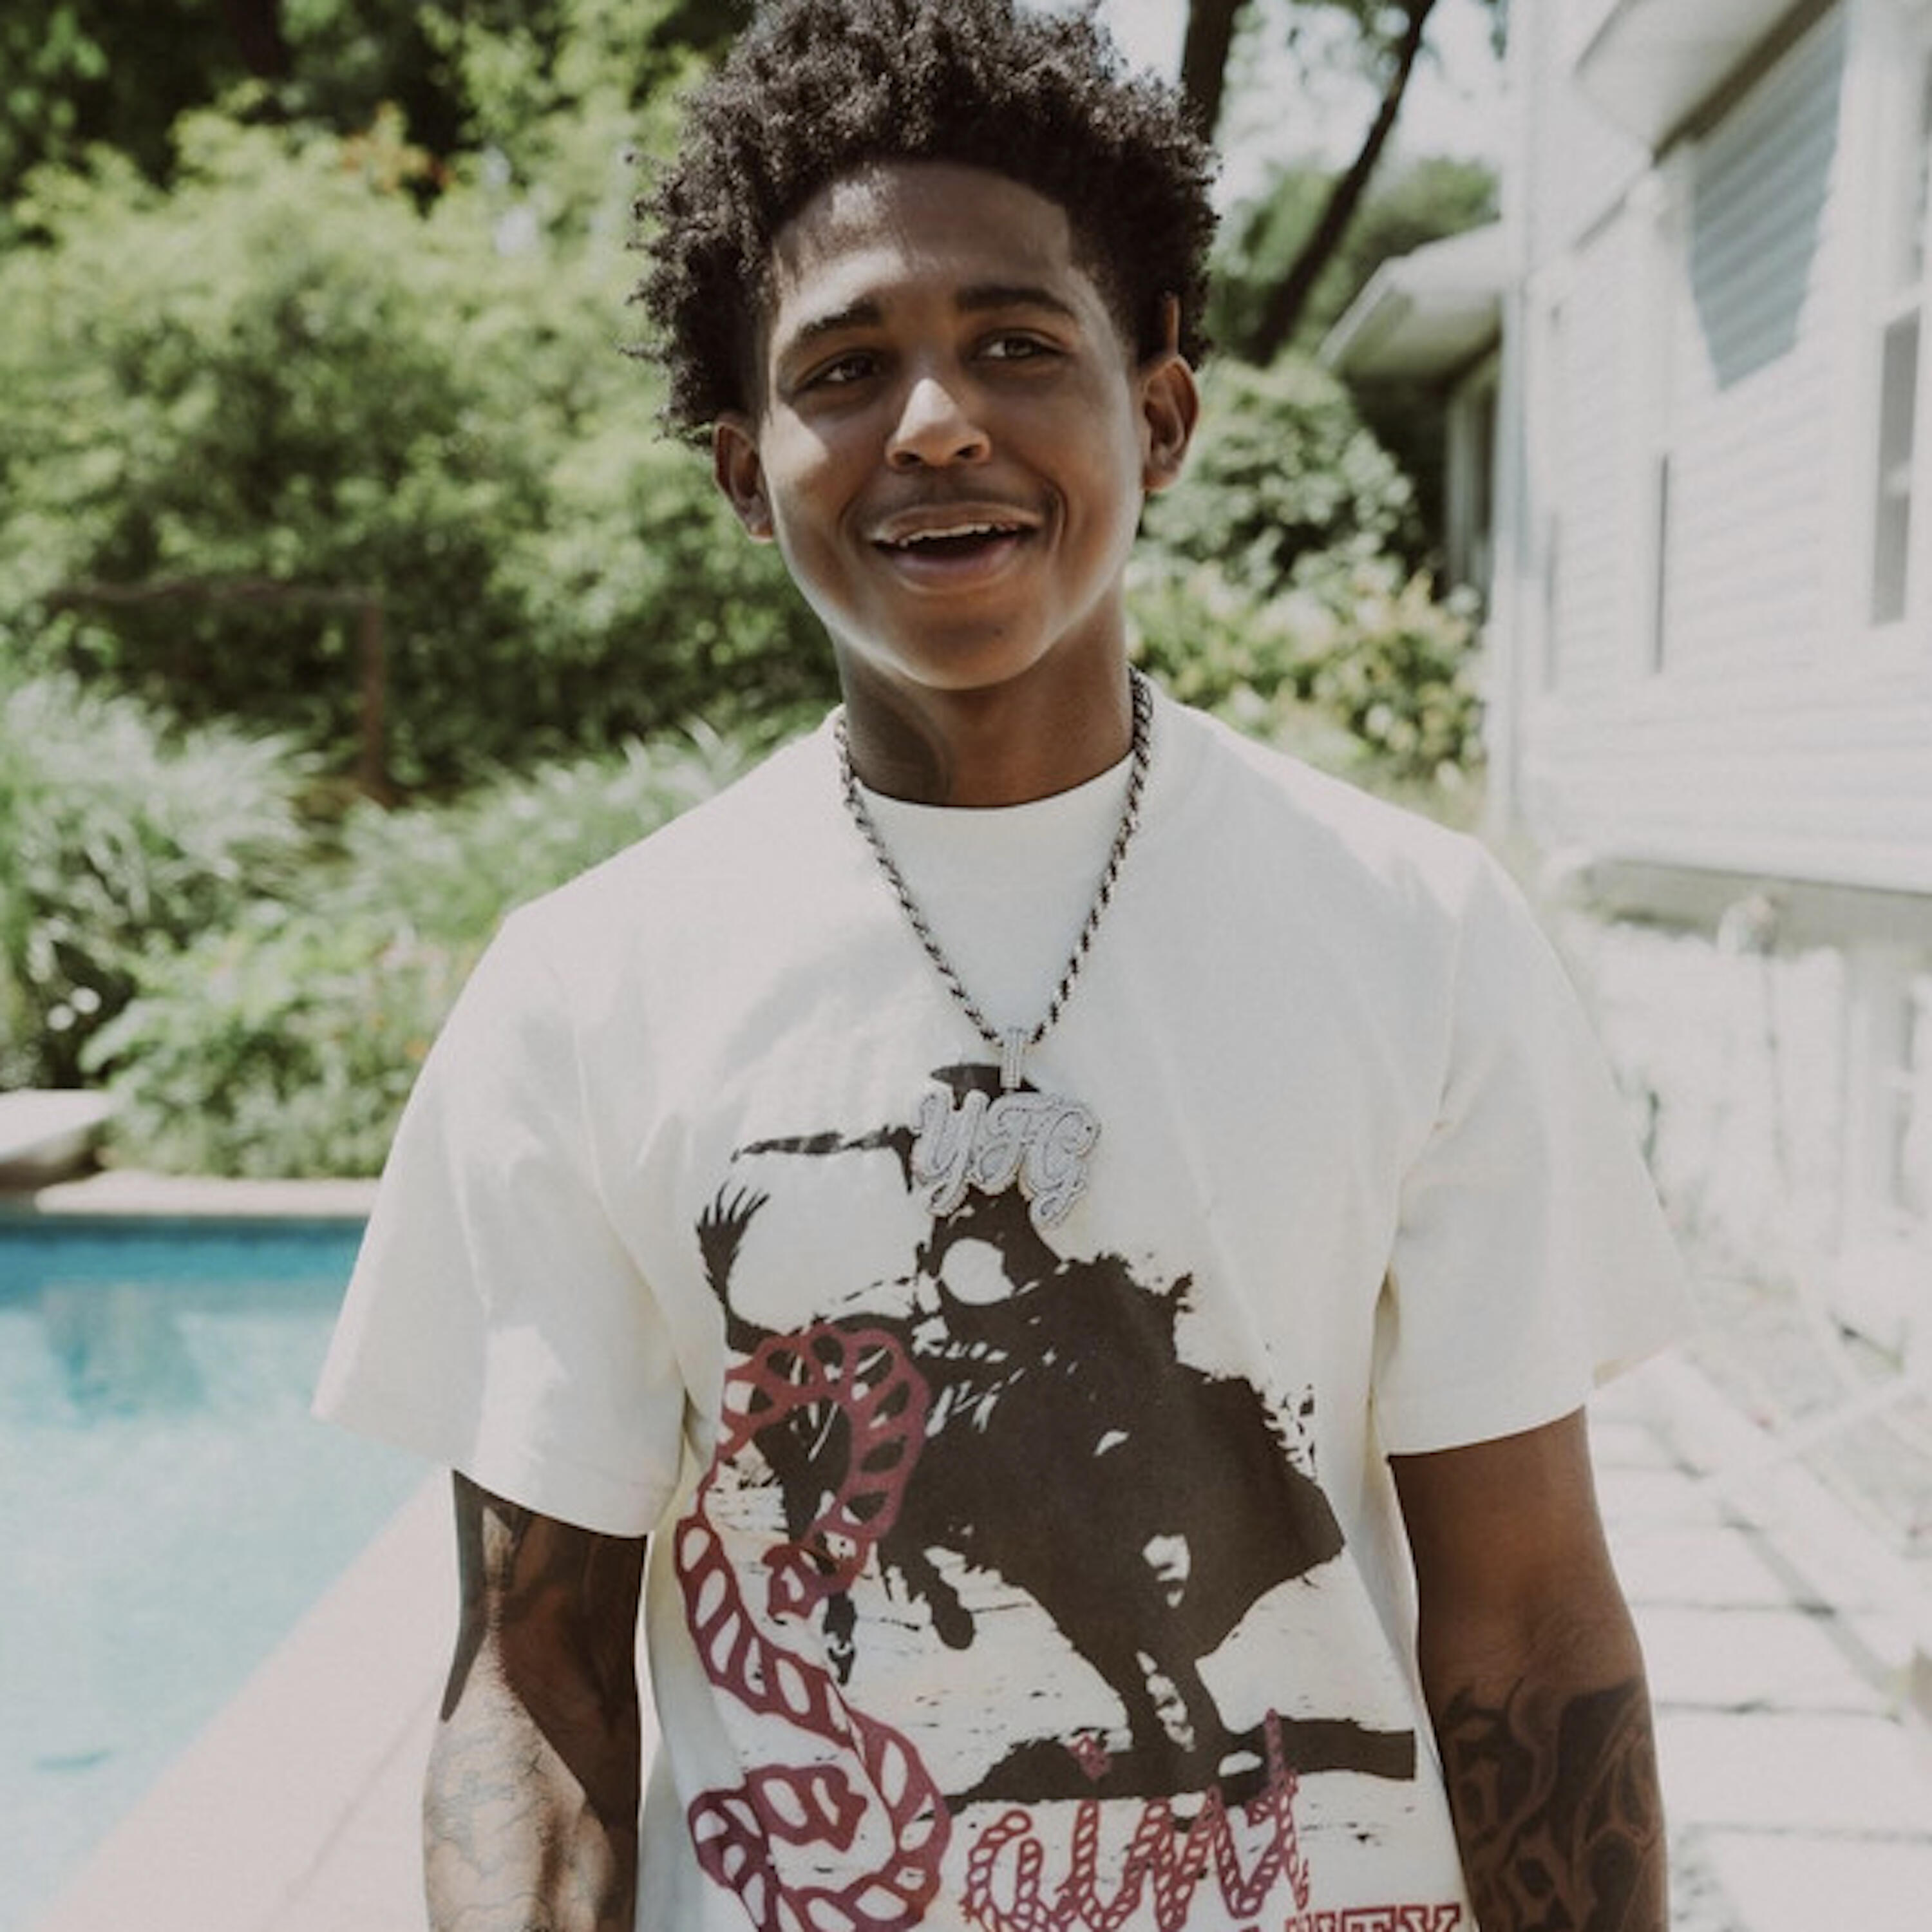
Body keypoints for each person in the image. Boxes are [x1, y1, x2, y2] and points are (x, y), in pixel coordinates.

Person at [315, 1, 1687, 1926]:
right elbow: (534, 1679)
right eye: (845, 368)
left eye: (1018, 345)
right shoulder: (582, 997)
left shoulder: (1422, 935)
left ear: (1163, 415)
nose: (937, 422)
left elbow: (1530, 1620)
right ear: (745, 471)